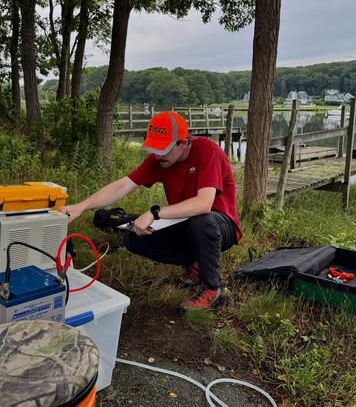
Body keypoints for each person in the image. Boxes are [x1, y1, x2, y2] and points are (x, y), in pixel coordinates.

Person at [60, 111, 242, 313]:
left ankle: (211, 288)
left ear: (184, 142)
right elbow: (122, 186)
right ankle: (194, 261)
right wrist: (82, 206)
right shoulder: (160, 160)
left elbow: (204, 204)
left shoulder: (208, 151)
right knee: (133, 237)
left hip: (220, 225)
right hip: (186, 223)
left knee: (202, 220)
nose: (158, 155)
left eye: (163, 149)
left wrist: (155, 213)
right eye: (154, 148)